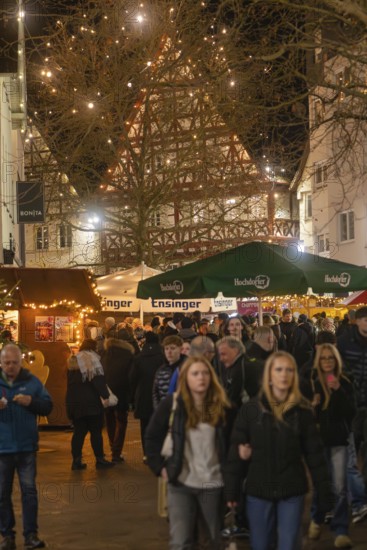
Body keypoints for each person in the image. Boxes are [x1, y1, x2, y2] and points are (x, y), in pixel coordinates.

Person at [225, 351, 333, 550]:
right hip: (259, 489)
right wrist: (231, 490)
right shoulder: (251, 410)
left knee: (288, 543)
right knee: (261, 544)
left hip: (291, 488)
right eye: (278, 370)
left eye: (289, 370)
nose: (284, 375)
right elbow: (235, 454)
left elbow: (315, 455)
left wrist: (325, 491)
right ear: (269, 375)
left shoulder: (302, 412)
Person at [145, 356, 231, 549]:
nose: (201, 377)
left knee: (211, 540)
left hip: (212, 482)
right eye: (195, 373)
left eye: (205, 373)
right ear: (185, 378)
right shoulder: (172, 404)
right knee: (181, 541)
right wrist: (159, 467)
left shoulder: (221, 406)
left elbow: (231, 442)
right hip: (181, 481)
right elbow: (151, 436)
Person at [0, 343, 53, 550]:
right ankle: (7, 536)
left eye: (14, 362)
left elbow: (48, 407)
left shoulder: (33, 382)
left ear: (21, 361)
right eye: (7, 363)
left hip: (26, 448)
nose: (11, 366)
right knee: (2, 494)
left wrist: (31, 401)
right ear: (1, 363)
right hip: (2, 449)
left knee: (29, 492)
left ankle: (31, 534)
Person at [308, 344, 356, 548]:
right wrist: (313, 406)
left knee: (339, 486)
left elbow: (349, 413)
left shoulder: (345, 382)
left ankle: (340, 529)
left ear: (336, 360)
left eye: (330, 358)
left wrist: (338, 391)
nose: (327, 361)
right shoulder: (314, 383)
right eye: (324, 358)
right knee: (320, 485)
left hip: (337, 440)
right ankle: (317, 517)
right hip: (318, 441)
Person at [65, 339, 115, 470]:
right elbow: (98, 381)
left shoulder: (74, 360)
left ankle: (76, 461)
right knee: (96, 432)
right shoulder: (91, 360)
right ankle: (100, 459)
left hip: (75, 403)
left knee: (78, 433)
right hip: (91, 403)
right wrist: (106, 396)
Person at [338, 306, 367, 483]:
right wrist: (335, 382)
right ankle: (352, 492)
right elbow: (331, 367)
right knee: (350, 449)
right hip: (351, 405)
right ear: (357, 321)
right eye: (365, 320)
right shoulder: (344, 341)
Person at [130, 332, 165, 462]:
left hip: (143, 395)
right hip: (160, 397)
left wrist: (132, 397)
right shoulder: (163, 357)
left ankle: (147, 454)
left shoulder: (139, 358)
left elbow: (132, 378)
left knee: (145, 426)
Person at [101, 338, 134, 463]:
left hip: (106, 392)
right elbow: (131, 376)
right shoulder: (128, 355)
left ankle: (112, 447)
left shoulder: (104, 354)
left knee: (109, 420)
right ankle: (116, 451)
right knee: (121, 421)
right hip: (122, 392)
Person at [152, 335, 185, 409]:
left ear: (180, 349)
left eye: (173, 348)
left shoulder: (186, 368)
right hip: (164, 411)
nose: (169, 352)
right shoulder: (161, 370)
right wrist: (159, 410)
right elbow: (155, 393)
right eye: (166, 349)